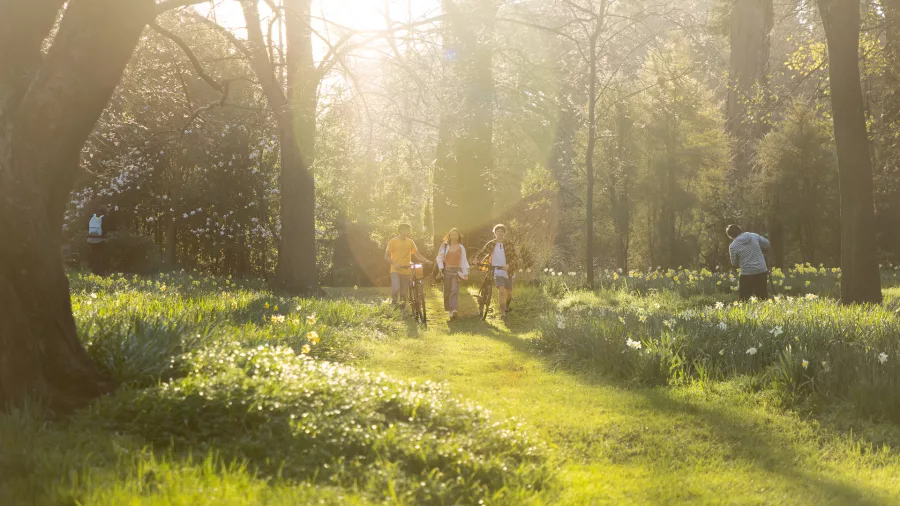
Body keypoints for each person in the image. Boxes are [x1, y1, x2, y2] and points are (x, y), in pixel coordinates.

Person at [475, 224, 519, 320]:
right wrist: (477, 259)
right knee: (501, 291)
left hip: (508, 271)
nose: (500, 233)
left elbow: (516, 257)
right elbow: (482, 252)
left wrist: (509, 264)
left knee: (509, 293)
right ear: (495, 233)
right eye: (498, 231)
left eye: (502, 231)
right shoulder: (491, 243)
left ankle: (507, 306)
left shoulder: (509, 243)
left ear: (504, 233)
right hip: (496, 270)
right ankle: (503, 312)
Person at [384, 223, 432, 308]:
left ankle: (402, 308)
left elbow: (417, 254)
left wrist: (426, 261)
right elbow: (386, 256)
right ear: (401, 230)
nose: (408, 231)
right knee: (395, 289)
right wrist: (395, 263)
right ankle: (394, 303)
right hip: (395, 270)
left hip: (406, 270)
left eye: (408, 230)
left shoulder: (410, 242)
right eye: (406, 229)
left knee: (404, 292)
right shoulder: (393, 241)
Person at [727, 224, 770, 301]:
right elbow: (767, 244)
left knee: (744, 299)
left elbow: (734, 263)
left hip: (747, 273)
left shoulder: (733, 246)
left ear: (730, 236)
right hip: (761, 270)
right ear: (740, 229)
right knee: (762, 297)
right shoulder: (753, 236)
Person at [436, 228, 470, 320]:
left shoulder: (461, 247)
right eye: (452, 234)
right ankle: (449, 309)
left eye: (456, 234)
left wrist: (465, 273)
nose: (454, 236)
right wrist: (441, 268)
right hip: (446, 271)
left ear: (458, 236)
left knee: (455, 290)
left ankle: (454, 309)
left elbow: (463, 260)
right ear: (449, 236)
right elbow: (439, 258)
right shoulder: (444, 246)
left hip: (457, 271)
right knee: (447, 291)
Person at [87, 205, 113, 275]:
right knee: (100, 255)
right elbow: (105, 229)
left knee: (94, 254)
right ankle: (100, 272)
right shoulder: (104, 218)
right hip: (99, 239)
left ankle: (93, 270)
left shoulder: (94, 217)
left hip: (91, 238)